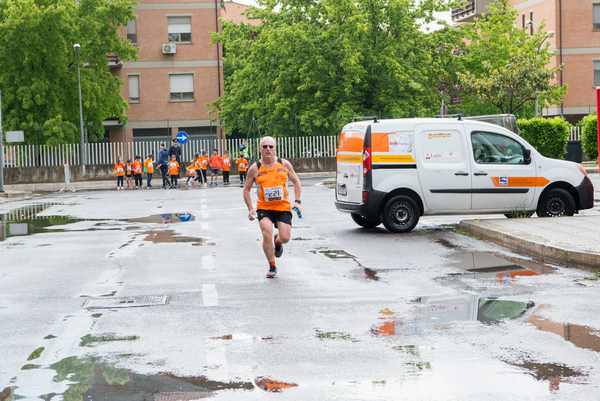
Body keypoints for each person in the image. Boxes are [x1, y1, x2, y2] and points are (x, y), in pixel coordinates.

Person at [243, 136, 302, 278]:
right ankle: (272, 265)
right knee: (266, 232)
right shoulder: (255, 168)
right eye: (264, 147)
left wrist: (298, 201)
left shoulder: (284, 164)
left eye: (270, 146)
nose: (268, 149)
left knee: (286, 237)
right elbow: (246, 190)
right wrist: (250, 209)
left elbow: (296, 182)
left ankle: (278, 241)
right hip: (264, 208)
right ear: (260, 149)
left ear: (275, 148)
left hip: (282, 207)